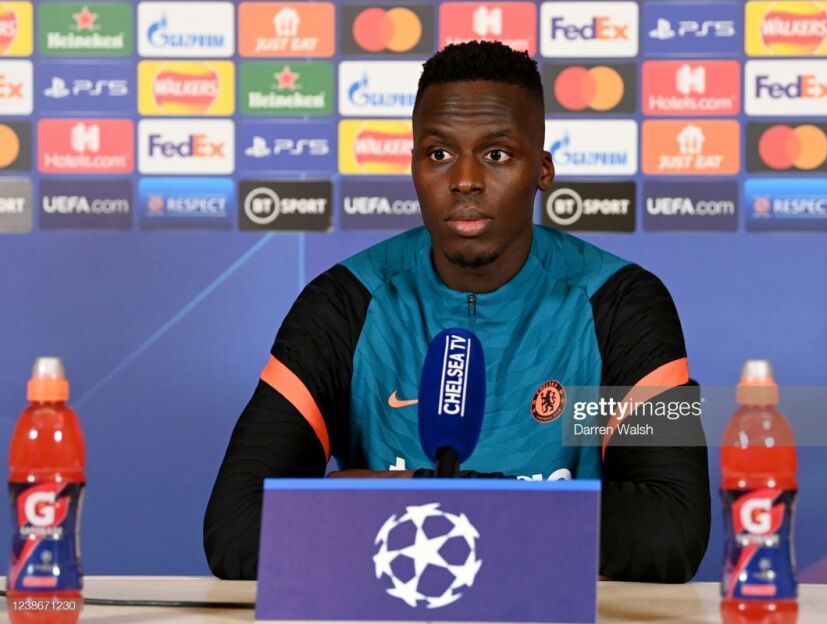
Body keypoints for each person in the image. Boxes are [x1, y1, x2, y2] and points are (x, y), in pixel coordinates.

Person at [204, 41, 710, 583]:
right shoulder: (344, 304)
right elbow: (237, 529)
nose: (465, 179)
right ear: (414, 166)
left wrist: (394, 495)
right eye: (439, 154)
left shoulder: (621, 303)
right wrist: (528, 513)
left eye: (496, 154)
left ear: (542, 170)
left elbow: (670, 529)